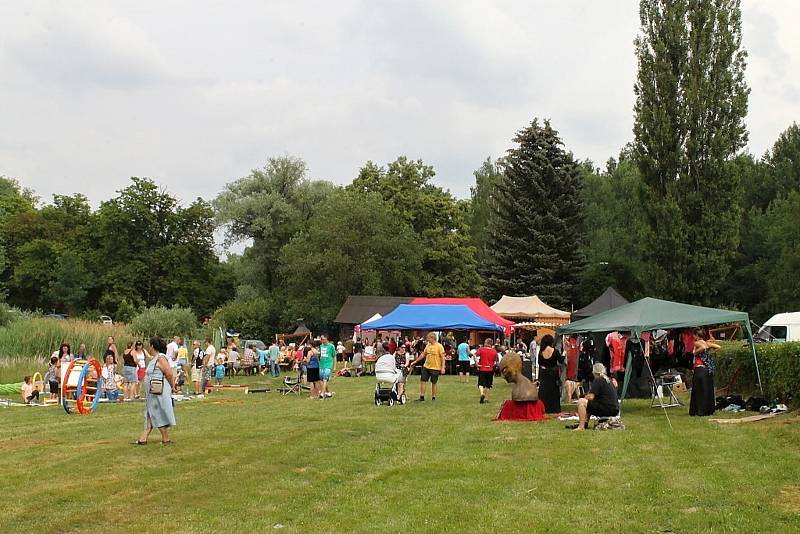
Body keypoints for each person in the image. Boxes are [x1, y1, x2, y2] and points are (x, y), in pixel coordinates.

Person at [134, 337, 176, 446]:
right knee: (150, 413)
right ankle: (144, 437)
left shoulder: (161, 358)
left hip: (158, 391)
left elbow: (169, 373)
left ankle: (165, 438)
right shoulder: (155, 358)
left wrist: (173, 386)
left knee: (157, 413)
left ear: (153, 346)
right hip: (152, 392)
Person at [574, 363, 619, 431]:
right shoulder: (608, 380)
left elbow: (591, 397)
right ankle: (585, 422)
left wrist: (583, 398)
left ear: (594, 372)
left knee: (582, 402)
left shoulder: (598, 380)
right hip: (614, 409)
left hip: (607, 409)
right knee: (590, 404)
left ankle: (581, 426)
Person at [690, 330, 720, 417]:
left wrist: (695, 353)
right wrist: (709, 353)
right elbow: (718, 347)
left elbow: (703, 348)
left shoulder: (697, 343)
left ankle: (699, 411)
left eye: (694, 335)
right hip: (708, 369)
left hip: (699, 369)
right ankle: (708, 409)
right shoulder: (707, 343)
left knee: (698, 390)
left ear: (696, 335)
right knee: (707, 389)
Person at [408, 333, 445, 402]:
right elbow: (423, 354)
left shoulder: (439, 346)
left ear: (432, 338)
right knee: (423, 380)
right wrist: (415, 361)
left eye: (428, 338)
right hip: (426, 366)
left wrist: (443, 367)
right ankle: (422, 397)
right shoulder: (428, 345)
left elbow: (443, 357)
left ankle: (433, 397)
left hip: (435, 368)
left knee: (434, 382)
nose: (427, 339)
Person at [538, 334, 564, 413]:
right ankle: (554, 408)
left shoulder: (541, 352)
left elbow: (540, 363)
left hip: (544, 373)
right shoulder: (555, 351)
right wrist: (564, 354)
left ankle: (544, 408)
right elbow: (561, 361)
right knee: (554, 391)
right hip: (553, 373)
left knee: (544, 391)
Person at [476, 338, 499, 404]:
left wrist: (477, 363)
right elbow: (496, 361)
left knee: (480, 384)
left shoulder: (481, 349)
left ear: (486, 343)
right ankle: (486, 398)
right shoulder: (494, 351)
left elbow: (475, 355)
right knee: (488, 385)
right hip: (490, 369)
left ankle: (482, 393)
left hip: (482, 368)